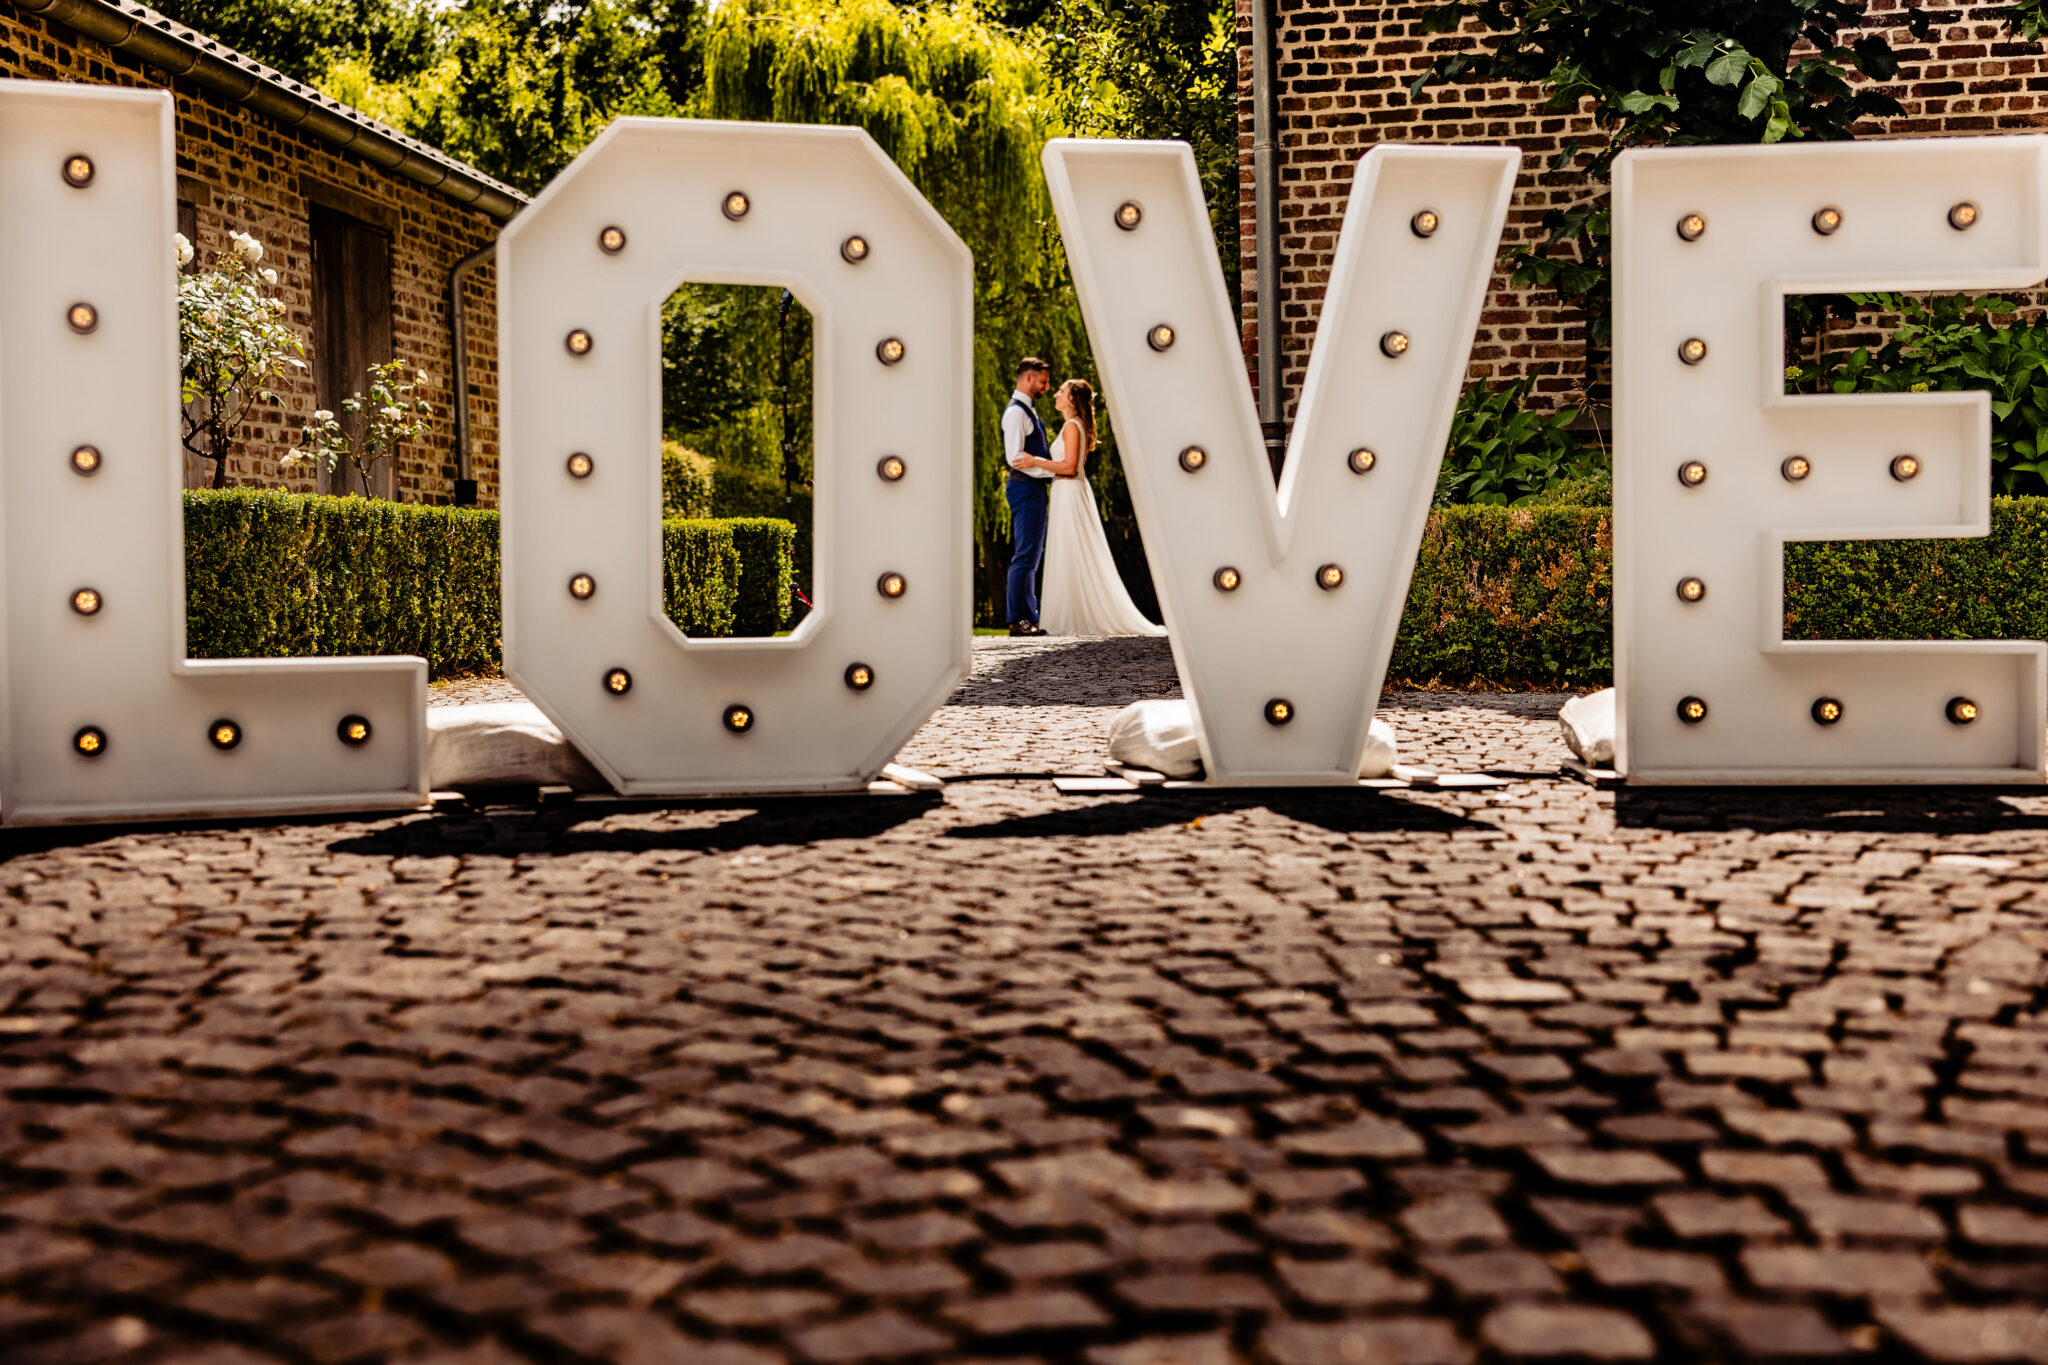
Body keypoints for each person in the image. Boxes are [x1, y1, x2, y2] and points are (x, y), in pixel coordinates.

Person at [1020, 378, 1165, 638]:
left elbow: (1070, 467)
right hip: (1065, 491)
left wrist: (1035, 461)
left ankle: (1071, 618)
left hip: (1070, 491)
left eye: (1061, 391)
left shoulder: (1072, 426)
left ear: (1072, 398)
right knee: (1068, 550)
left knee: (1072, 548)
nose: (1055, 394)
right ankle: (1067, 615)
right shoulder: (1073, 425)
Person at [1002, 357, 1054, 636]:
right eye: (1043, 381)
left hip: (1033, 488)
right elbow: (1015, 457)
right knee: (1025, 554)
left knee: (1032, 554)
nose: (1046, 387)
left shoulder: (1029, 411)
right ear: (1028, 378)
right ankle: (1017, 619)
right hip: (1025, 487)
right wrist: (1051, 471)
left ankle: (1029, 616)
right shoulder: (1016, 413)